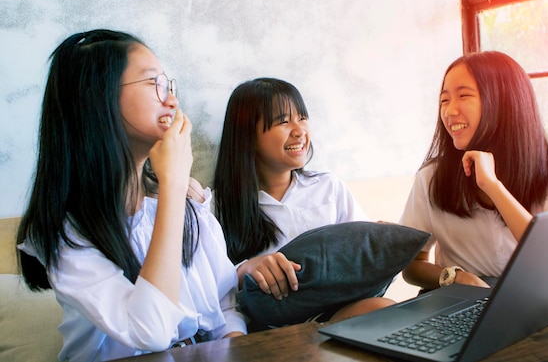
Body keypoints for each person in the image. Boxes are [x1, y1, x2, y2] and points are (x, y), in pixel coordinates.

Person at [16, 29, 246, 362]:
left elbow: (225, 303)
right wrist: (173, 185)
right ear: (99, 99)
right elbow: (149, 331)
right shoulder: (65, 233)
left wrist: (237, 345)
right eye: (154, 84)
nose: (171, 100)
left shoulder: (187, 209)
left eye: (168, 84)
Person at [212, 77, 394, 325]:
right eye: (283, 121)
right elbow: (209, 294)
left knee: (386, 311)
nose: (299, 131)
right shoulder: (216, 207)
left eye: (302, 117)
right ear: (248, 136)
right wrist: (244, 271)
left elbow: (366, 264)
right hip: (266, 330)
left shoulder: (329, 188)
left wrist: (383, 246)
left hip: (332, 317)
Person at [400, 51, 548, 291]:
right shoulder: (432, 177)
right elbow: (412, 265)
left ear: (504, 102)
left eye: (464, 96)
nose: (450, 111)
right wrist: (453, 277)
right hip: (457, 306)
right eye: (444, 100)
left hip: (535, 302)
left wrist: (493, 186)